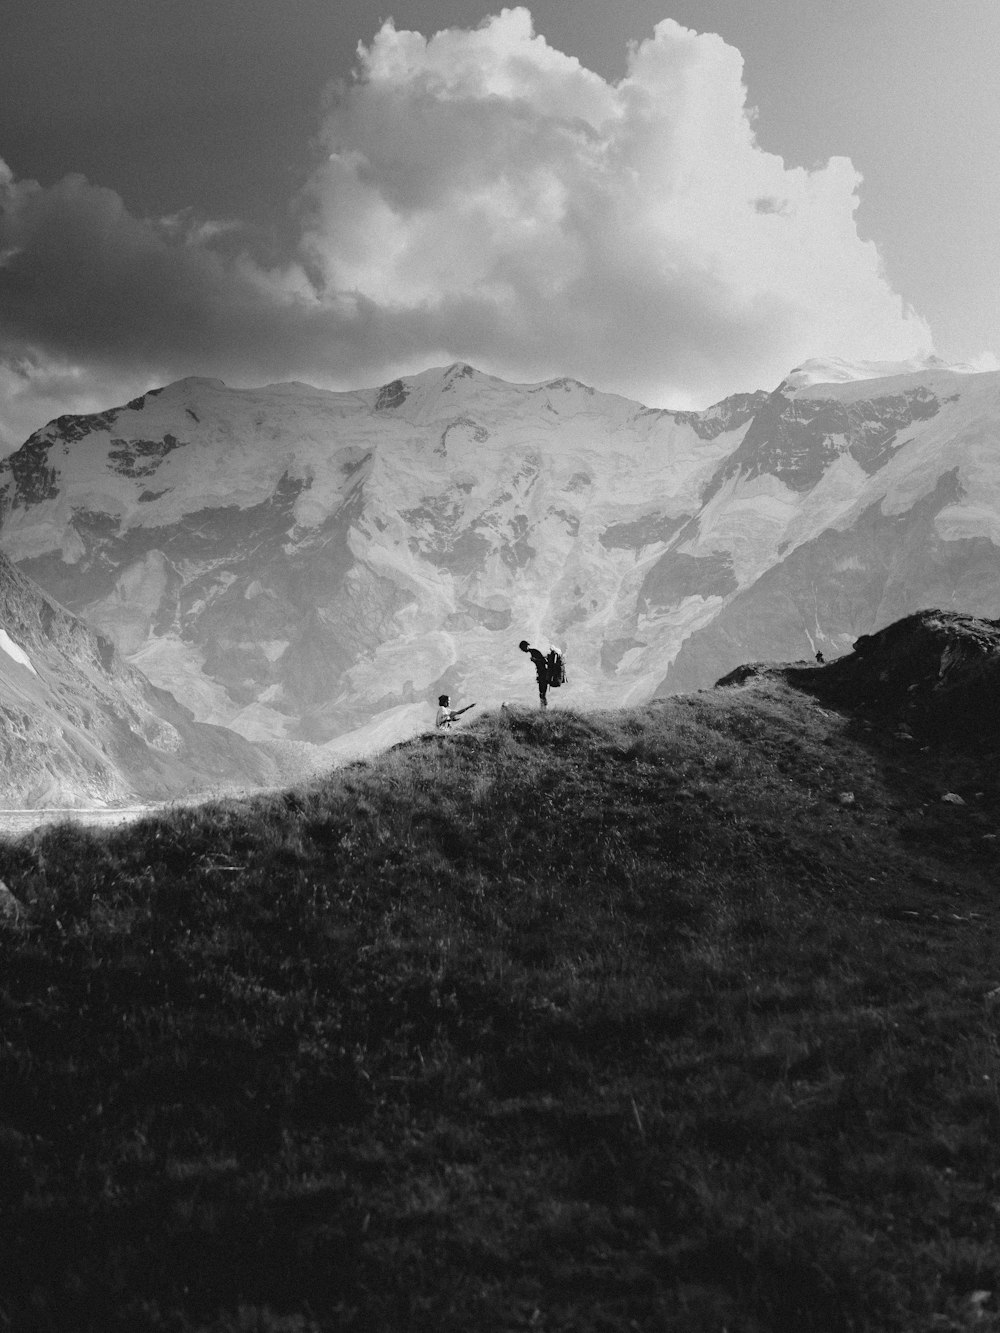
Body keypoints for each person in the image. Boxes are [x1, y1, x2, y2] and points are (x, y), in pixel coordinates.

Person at [519, 640, 550, 709]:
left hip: (543, 674)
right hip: (541, 674)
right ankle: (544, 707)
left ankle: (544, 708)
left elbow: (544, 662)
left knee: (542, 692)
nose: (523, 650)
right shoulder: (533, 652)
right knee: (542, 692)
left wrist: (535, 660)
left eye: (523, 648)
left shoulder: (534, 652)